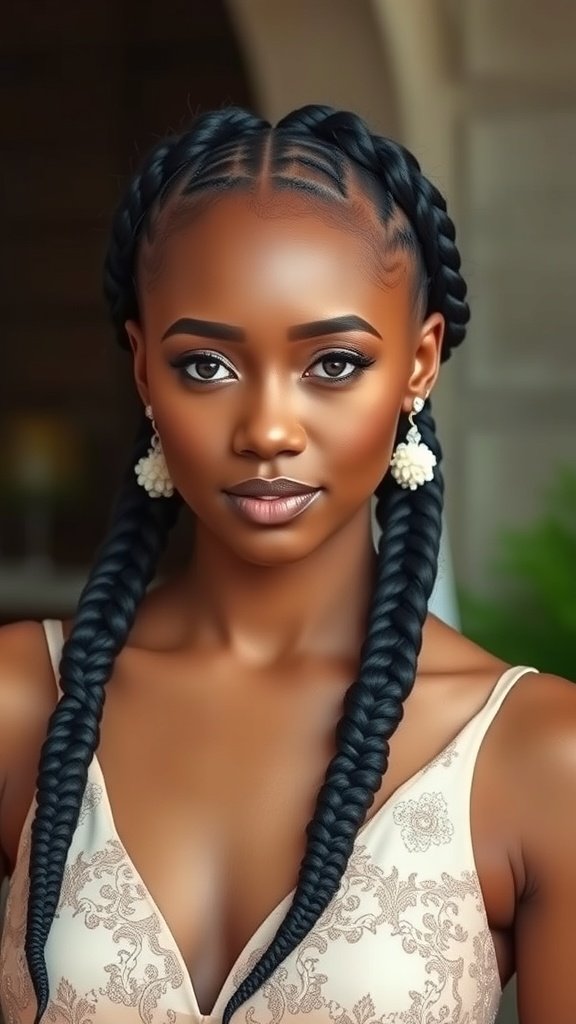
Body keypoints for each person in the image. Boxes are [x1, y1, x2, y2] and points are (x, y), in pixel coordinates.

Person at [0, 105, 574, 1024]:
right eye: (207, 367)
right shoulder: (20, 702)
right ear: (143, 369)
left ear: (420, 364)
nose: (268, 428)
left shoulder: (541, 755)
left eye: (334, 364)